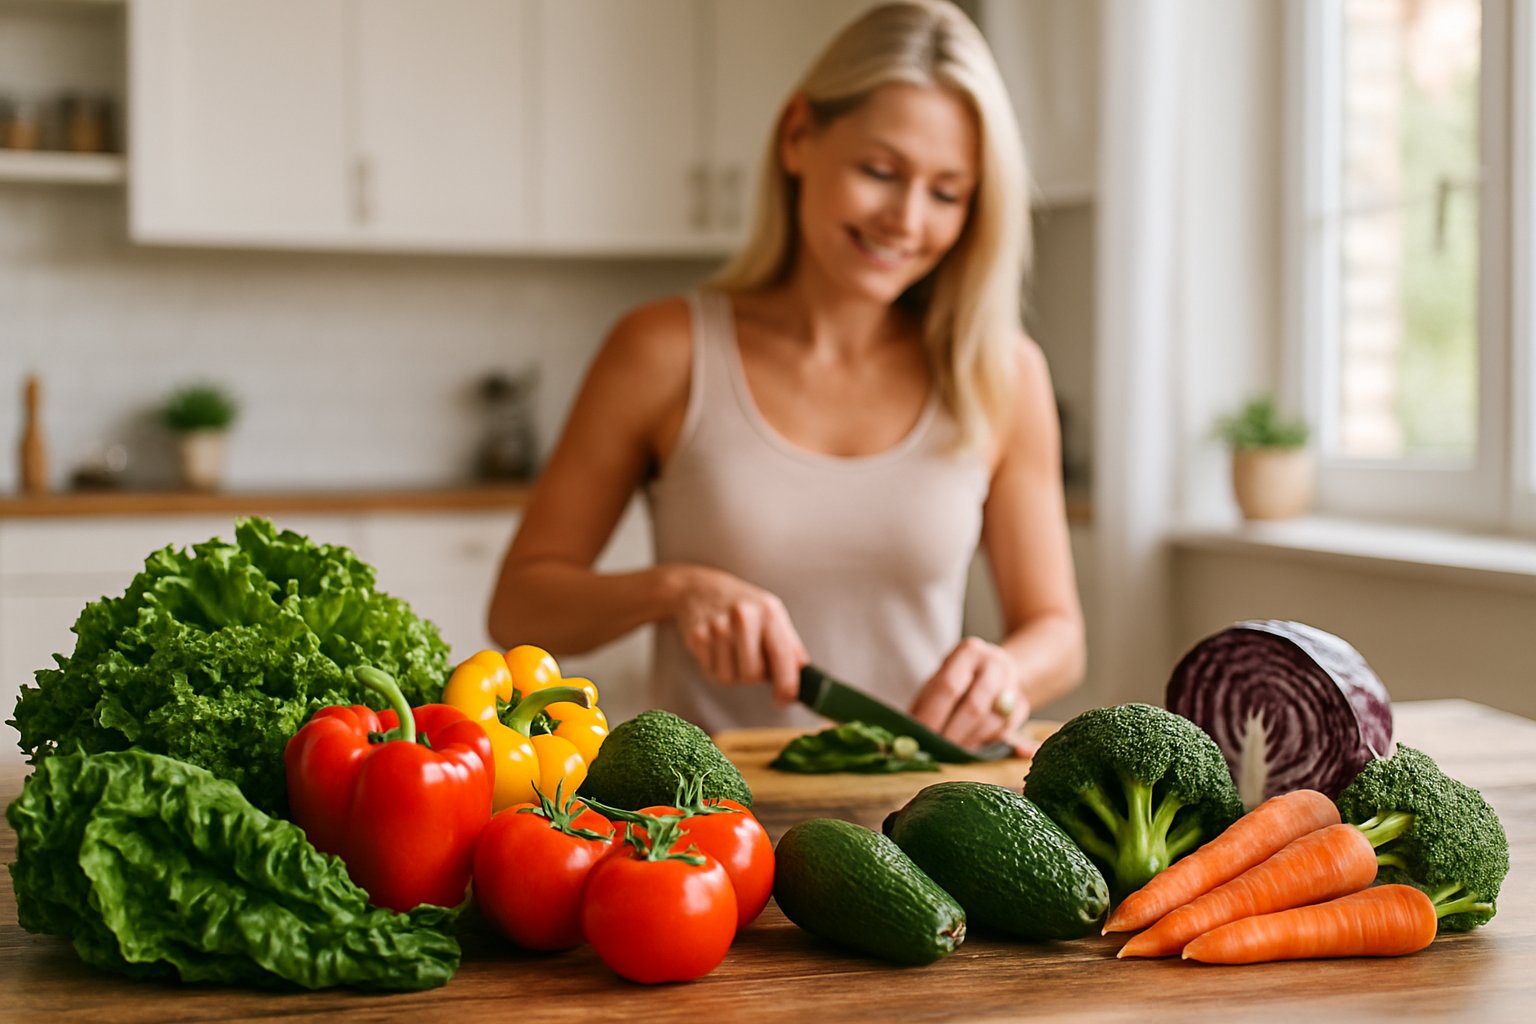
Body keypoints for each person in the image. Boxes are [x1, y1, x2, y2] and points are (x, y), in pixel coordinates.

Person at [488, 0, 1083, 749]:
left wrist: (1005, 674)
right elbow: (519, 606)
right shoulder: (663, 350)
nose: (906, 218)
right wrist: (675, 590)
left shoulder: (1003, 373)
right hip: (706, 827)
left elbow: (1057, 632)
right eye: (880, 171)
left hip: (919, 828)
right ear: (799, 137)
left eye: (945, 192)